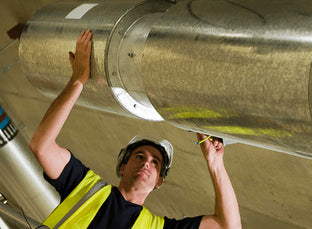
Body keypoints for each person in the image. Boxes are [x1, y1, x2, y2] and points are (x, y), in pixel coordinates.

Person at [29, 29, 241, 229]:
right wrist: (78, 80)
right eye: (139, 156)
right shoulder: (85, 187)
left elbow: (228, 226)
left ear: (159, 181)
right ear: (123, 167)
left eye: (155, 162)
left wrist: (215, 164)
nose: (146, 163)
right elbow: (42, 145)